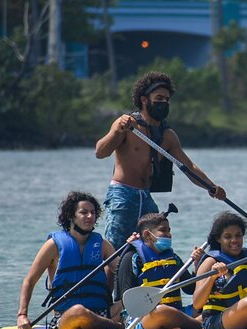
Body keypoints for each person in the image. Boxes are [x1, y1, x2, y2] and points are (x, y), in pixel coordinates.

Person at [95, 71, 226, 250]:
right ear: (144, 100)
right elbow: (100, 152)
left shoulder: (168, 136)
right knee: (116, 249)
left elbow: (188, 167)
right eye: (159, 98)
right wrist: (117, 131)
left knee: (155, 248)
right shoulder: (128, 125)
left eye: (166, 99)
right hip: (123, 196)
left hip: (146, 196)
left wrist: (211, 187)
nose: (163, 103)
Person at [16, 191, 124, 329]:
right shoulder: (53, 245)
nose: (90, 216)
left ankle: (110, 325)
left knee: (132, 301)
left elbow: (124, 271)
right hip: (67, 317)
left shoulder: (102, 245)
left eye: (93, 212)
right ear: (71, 216)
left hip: (102, 313)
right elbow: (29, 281)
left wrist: (133, 250)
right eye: (84, 212)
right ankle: (120, 328)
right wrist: (22, 315)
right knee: (79, 311)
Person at [114, 212, 204, 329]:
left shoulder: (173, 258)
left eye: (169, 230)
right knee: (162, 311)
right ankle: (200, 327)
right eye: (163, 231)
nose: (168, 235)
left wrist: (197, 264)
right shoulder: (132, 258)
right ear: (147, 234)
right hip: (141, 319)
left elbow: (190, 289)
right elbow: (127, 300)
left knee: (209, 308)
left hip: (177, 313)